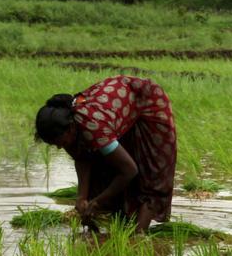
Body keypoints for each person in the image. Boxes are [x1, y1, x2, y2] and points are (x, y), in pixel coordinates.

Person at [34, 75, 177, 232]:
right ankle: (121, 228)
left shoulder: (94, 127)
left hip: (148, 99)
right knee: (106, 167)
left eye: (61, 143)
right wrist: (82, 197)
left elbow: (129, 170)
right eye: (55, 145)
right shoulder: (67, 128)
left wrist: (97, 202)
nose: (60, 148)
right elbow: (81, 157)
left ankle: (138, 238)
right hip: (118, 109)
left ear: (70, 128)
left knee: (152, 173)